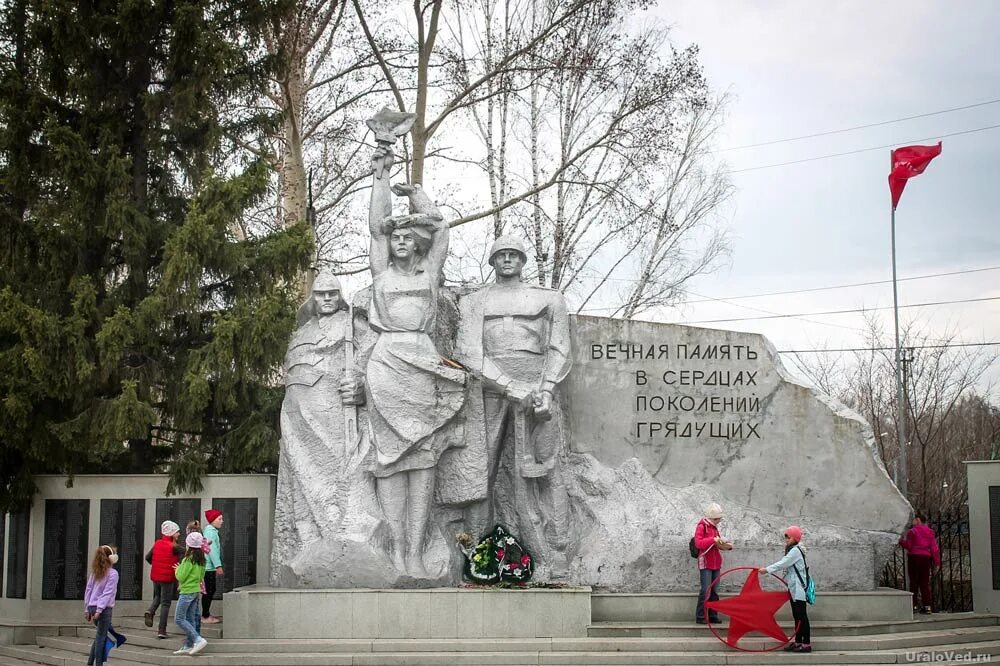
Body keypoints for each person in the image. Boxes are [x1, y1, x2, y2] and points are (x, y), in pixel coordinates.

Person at [364, 142, 466, 577]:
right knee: (389, 457)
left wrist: (417, 195)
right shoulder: (380, 273)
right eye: (396, 236)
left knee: (423, 453)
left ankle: (417, 550)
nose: (401, 241)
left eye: (409, 236)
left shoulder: (429, 273)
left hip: (423, 360)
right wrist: (381, 178)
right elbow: (373, 229)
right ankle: (397, 550)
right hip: (386, 362)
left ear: (417, 244)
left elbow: (442, 230)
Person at [452, 234, 575, 571]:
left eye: (513, 255)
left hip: (538, 388)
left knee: (548, 469)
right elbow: (468, 352)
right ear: (492, 261)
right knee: (481, 468)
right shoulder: (474, 302)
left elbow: (560, 347)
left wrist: (546, 388)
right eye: (501, 255)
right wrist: (508, 386)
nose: (507, 260)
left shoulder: (548, 299)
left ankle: (557, 550)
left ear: (522, 261)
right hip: (489, 390)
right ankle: (476, 554)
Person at [759, 525, 812, 653]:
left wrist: (767, 570)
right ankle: (798, 641)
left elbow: (783, 563)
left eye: (788, 537)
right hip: (794, 587)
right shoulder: (793, 549)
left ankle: (806, 644)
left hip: (799, 588)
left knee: (802, 616)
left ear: (794, 538)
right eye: (785, 537)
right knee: (797, 616)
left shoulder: (795, 551)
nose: (786, 539)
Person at [144, 520, 185, 638]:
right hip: (168, 578)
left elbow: (148, 557)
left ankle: (150, 611)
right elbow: (189, 552)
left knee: (157, 596)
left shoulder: (157, 543)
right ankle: (162, 630)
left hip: (156, 577)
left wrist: (157, 564)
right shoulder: (174, 546)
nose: (179, 535)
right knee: (166, 603)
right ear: (171, 533)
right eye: (177, 532)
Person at [693, 502, 732, 624]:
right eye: (716, 519)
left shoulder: (714, 527)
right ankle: (701, 616)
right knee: (706, 590)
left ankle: (713, 615)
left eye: (719, 519)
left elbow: (717, 544)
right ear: (711, 517)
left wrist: (727, 546)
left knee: (715, 590)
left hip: (716, 563)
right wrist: (712, 539)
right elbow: (698, 543)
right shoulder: (702, 526)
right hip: (705, 562)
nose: (718, 521)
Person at [174, 532, 209, 656]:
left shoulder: (188, 559)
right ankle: (189, 645)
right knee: (190, 618)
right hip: (195, 590)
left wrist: (177, 569)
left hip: (187, 591)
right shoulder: (202, 559)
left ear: (188, 545)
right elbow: (201, 576)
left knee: (179, 618)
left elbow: (180, 576)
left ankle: (198, 639)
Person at [899, 512, 941, 614]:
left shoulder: (912, 532)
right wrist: (937, 562)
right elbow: (934, 548)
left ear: (918, 520)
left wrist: (900, 541)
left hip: (914, 557)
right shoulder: (930, 532)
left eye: (913, 520)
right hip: (926, 558)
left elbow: (908, 546)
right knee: (924, 583)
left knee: (914, 582)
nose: (912, 522)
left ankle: (914, 606)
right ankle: (927, 606)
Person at [84, 544, 119, 666]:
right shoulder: (113, 574)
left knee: (99, 635)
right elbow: (107, 593)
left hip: (92, 607)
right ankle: (98, 663)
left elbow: (88, 590)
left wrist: (87, 608)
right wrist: (99, 610)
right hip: (103, 609)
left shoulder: (95, 572)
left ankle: (90, 662)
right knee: (101, 638)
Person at [202, 509, 224, 623]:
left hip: (209, 567)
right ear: (212, 520)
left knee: (210, 590)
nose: (222, 521)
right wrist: (218, 565)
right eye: (219, 519)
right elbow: (211, 550)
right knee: (209, 591)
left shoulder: (211, 531)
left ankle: (206, 614)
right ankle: (205, 616)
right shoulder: (210, 532)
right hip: (208, 567)